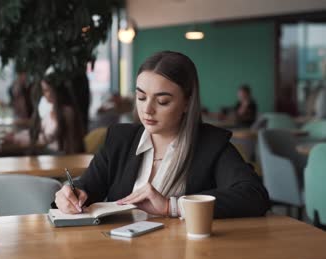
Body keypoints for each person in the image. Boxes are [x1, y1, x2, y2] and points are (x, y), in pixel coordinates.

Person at [54, 51, 269, 219]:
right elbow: (88, 188)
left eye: (162, 101)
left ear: (187, 102)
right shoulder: (119, 139)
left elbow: (254, 195)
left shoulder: (211, 144)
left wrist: (171, 206)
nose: (147, 110)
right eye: (141, 97)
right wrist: (71, 194)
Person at [6, 74, 85, 154]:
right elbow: (37, 131)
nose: (44, 94)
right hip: (53, 154)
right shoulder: (52, 109)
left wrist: (16, 138)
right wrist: (16, 136)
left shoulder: (67, 112)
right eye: (43, 90)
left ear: (55, 90)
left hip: (61, 156)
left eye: (46, 90)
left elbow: (47, 138)